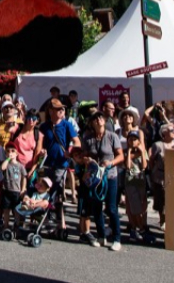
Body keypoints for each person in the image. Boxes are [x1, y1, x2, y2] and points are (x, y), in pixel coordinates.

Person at [79, 112, 124, 251]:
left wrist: (110, 163)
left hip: (109, 176)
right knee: (96, 207)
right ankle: (101, 235)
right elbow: (83, 156)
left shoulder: (112, 136)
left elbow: (121, 156)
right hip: (95, 177)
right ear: (92, 123)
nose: (99, 120)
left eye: (100, 117)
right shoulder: (88, 138)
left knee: (111, 208)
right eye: (95, 118)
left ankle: (117, 238)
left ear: (104, 120)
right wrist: (87, 160)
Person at [39, 97, 81, 238]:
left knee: (58, 195)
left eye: (62, 108)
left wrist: (70, 150)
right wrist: (42, 151)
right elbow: (41, 144)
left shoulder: (67, 125)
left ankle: (61, 224)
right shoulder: (44, 126)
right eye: (58, 109)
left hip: (61, 165)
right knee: (46, 193)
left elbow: (77, 142)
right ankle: (48, 222)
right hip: (47, 164)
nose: (61, 110)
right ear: (50, 111)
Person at [124, 129, 152, 244]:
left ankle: (141, 227)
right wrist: (130, 152)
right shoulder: (126, 152)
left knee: (142, 205)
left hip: (140, 180)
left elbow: (144, 166)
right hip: (130, 180)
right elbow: (127, 166)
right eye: (130, 139)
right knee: (133, 206)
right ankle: (135, 227)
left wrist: (141, 153)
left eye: (135, 139)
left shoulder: (142, 151)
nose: (133, 141)